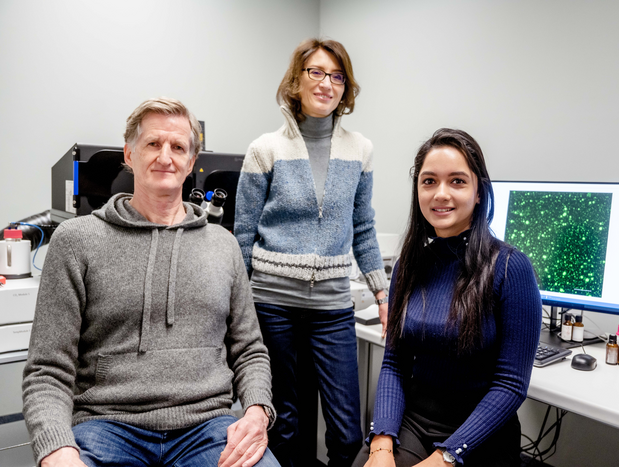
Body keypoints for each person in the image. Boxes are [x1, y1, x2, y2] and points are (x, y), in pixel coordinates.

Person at [22, 97, 280, 467]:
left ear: (191, 163)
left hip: (207, 427)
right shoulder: (76, 240)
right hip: (106, 425)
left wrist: (257, 411)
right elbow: (47, 369)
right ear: (129, 154)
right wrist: (56, 447)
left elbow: (250, 350)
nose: (165, 157)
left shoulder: (223, 245)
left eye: (178, 147)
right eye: (153, 144)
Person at [234, 38, 388, 467]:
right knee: (285, 425)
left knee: (345, 432)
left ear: (346, 88)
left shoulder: (361, 150)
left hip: (331, 307)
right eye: (316, 72)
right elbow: (243, 232)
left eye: (337, 76)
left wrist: (382, 293)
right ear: (296, 81)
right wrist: (239, 304)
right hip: (272, 303)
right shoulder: (265, 149)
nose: (327, 83)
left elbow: (363, 227)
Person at [353, 129, 542, 467]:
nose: (441, 194)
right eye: (429, 182)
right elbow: (395, 363)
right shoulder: (407, 267)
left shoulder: (510, 268)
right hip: (415, 420)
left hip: (481, 431)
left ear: (479, 192)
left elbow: (511, 385)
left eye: (457, 181)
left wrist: (446, 457)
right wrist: (380, 445)